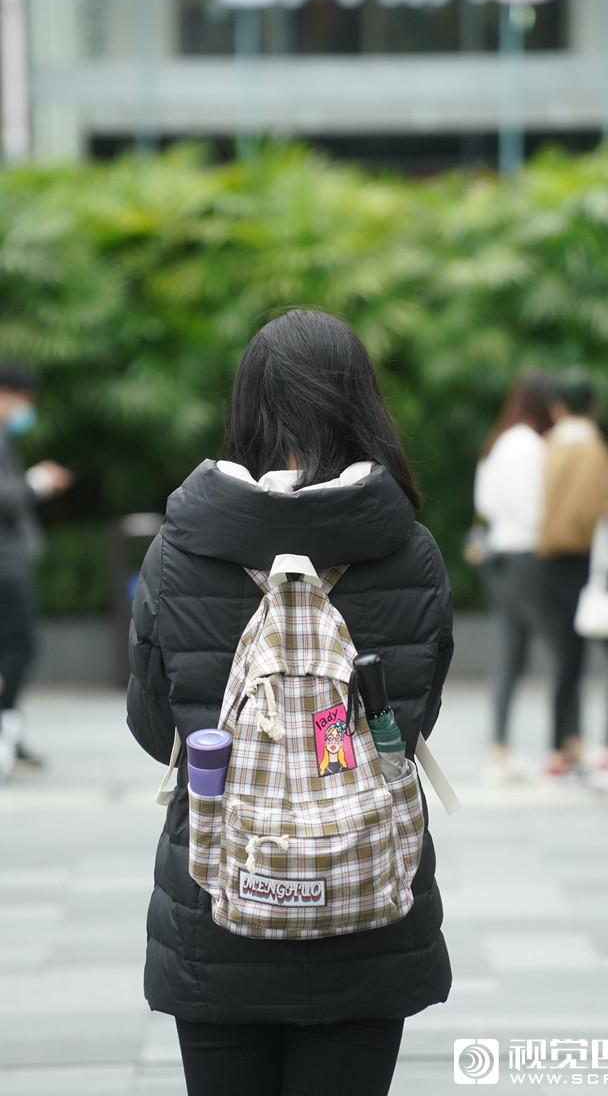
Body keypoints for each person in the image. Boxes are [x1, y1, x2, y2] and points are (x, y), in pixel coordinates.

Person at [126, 310, 454, 1096]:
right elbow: (413, 718)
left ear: (246, 406)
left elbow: (153, 725)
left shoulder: (178, 552)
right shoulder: (409, 550)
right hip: (369, 899)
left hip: (221, 894)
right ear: (362, 406)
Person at [538, 369, 608, 785]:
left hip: (547, 562)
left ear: (557, 407)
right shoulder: (593, 451)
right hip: (585, 563)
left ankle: (559, 752)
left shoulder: (548, 446)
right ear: (595, 405)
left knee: (568, 660)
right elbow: (593, 518)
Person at [473, 371, 554, 783]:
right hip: (528, 554)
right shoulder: (531, 446)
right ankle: (564, 746)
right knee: (560, 650)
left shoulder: (499, 441)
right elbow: (534, 507)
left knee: (509, 652)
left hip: (498, 556)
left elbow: (485, 502)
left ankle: (500, 747)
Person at [0, 360, 73, 781]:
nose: (24, 409)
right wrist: (38, 482)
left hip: (10, 561)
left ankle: (10, 730)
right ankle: (5, 726)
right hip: (4, 564)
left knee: (13, 648)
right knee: (20, 646)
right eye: (22, 399)